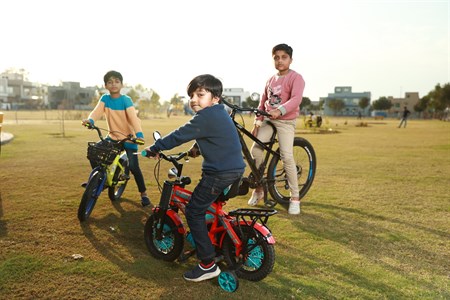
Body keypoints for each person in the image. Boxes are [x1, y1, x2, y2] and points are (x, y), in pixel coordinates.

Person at [144, 74, 245, 282]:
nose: (194, 99)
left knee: (194, 211)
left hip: (219, 173)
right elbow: (216, 137)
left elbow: (179, 134)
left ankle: (208, 263)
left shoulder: (205, 117)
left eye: (200, 94)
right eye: (191, 95)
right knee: (209, 206)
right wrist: (195, 150)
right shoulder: (220, 113)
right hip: (234, 170)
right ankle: (215, 241)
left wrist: (155, 147)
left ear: (215, 97)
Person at [247, 43, 305, 215]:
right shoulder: (270, 80)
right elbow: (262, 101)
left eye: (284, 57)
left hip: (285, 121)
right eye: (276, 58)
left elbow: (296, 99)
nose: (280, 61)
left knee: (286, 156)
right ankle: (259, 188)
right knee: (255, 151)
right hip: (268, 120)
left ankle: (295, 197)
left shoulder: (296, 78)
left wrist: (279, 110)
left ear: (290, 59)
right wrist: (257, 123)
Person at [81, 70, 151, 207]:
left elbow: (133, 118)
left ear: (122, 84)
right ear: (106, 85)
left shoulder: (126, 100)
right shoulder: (105, 99)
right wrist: (91, 121)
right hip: (112, 137)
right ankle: (99, 180)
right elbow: (96, 112)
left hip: (129, 138)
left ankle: (144, 194)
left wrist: (139, 135)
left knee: (134, 167)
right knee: (94, 152)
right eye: (110, 82)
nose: (113, 84)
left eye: (117, 81)